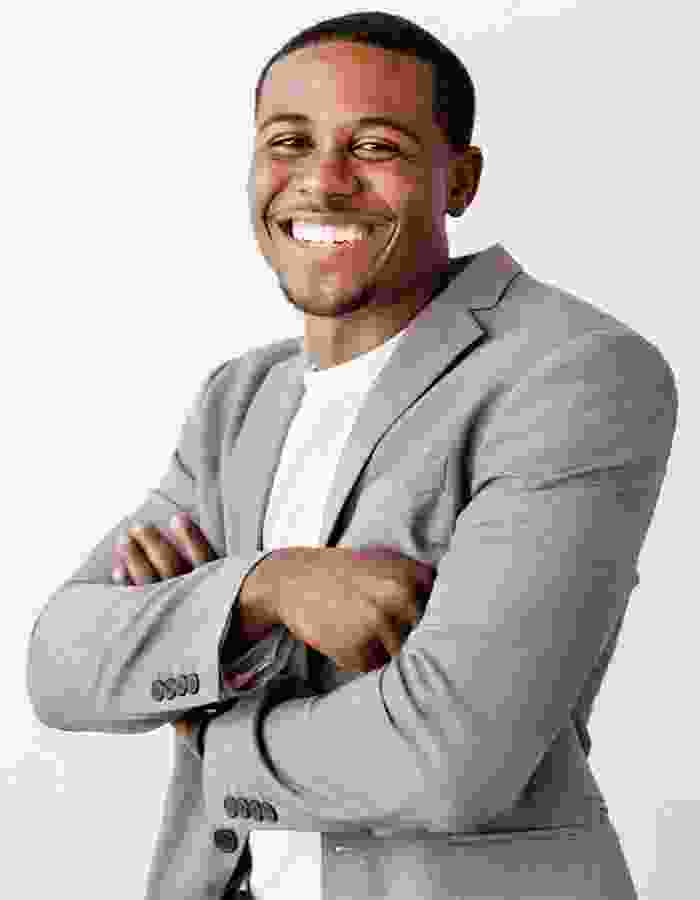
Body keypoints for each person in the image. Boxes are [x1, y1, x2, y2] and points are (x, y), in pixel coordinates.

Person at [26, 10, 677, 900]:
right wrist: (264, 588)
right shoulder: (238, 400)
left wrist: (210, 726)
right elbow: (59, 663)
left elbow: (450, 756)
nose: (322, 182)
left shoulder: (570, 372)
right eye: (288, 142)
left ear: (461, 180)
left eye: (375, 147)